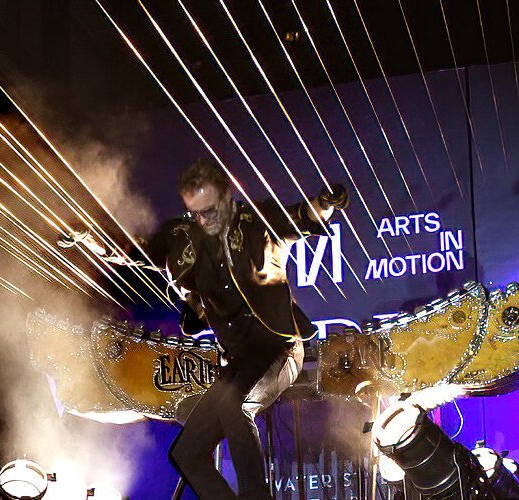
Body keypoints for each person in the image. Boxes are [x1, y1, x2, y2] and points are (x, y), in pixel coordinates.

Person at [61, 157, 347, 499]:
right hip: (240, 362)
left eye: (210, 208)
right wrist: (88, 237)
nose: (205, 218)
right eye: (197, 211)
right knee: (186, 453)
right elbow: (131, 248)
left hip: (277, 347)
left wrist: (326, 204)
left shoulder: (256, 220)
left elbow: (301, 218)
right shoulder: (181, 237)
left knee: (234, 405)